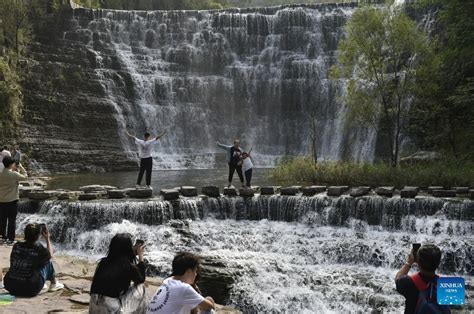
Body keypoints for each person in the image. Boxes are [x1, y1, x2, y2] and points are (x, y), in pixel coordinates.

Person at [89, 233, 147, 313]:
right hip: (111, 310)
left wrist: (132, 254)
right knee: (141, 287)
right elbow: (141, 278)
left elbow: (119, 263)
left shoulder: (103, 262)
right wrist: (141, 257)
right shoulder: (127, 266)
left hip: (93, 307)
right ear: (128, 249)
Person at [4, 223, 64, 296]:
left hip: (10, 286)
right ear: (38, 236)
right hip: (30, 288)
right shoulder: (39, 249)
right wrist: (47, 238)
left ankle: (40, 281)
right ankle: (54, 284)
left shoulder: (17, 245)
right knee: (48, 261)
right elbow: (50, 255)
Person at [147, 252, 215, 314]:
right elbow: (209, 306)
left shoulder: (168, 281)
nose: (196, 274)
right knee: (209, 310)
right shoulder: (183, 288)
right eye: (195, 271)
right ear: (189, 271)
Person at [395, 243, 451, 314]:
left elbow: (398, 277)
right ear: (439, 263)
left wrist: (408, 263)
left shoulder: (407, 283)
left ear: (418, 262)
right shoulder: (449, 284)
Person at [0, 156, 27, 245]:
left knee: (2, 220)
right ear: (11, 164)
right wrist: (21, 168)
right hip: (12, 200)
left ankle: (3, 237)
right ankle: (11, 239)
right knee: (12, 220)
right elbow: (25, 177)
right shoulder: (14, 174)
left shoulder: (1, 174)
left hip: (2, 200)